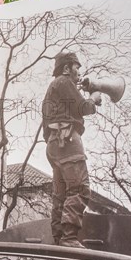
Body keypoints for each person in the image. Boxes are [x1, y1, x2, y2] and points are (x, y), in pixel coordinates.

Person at [42, 52, 101, 248]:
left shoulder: (55, 87)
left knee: (61, 194)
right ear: (67, 68)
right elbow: (83, 108)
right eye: (76, 67)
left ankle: (60, 238)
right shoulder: (64, 82)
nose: (78, 71)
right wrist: (92, 98)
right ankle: (69, 238)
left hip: (54, 143)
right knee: (79, 189)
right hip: (67, 140)